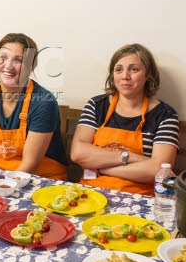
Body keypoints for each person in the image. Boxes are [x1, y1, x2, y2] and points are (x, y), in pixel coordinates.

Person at [70, 44, 178, 195]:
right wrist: (131, 157)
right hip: (90, 192)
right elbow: (78, 153)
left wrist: (102, 167)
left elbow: (159, 170)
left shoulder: (165, 115)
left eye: (134, 69)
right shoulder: (96, 105)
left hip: (138, 198)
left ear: (148, 75)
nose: (125, 76)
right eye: (119, 69)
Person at [0, 33, 68, 180]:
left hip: (42, 179)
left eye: (18, 60)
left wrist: (0, 190)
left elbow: (30, 165)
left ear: (31, 66)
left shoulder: (43, 102)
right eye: (3, 57)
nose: (8, 65)